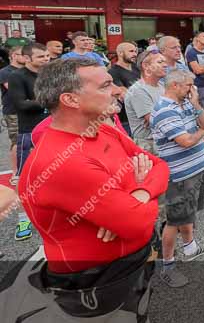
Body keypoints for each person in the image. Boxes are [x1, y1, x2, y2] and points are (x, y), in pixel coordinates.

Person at [16, 58, 167, 319]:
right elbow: (137, 222)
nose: (117, 90)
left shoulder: (103, 130)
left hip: (133, 260)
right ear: (71, 100)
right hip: (95, 278)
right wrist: (136, 192)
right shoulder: (61, 160)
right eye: (105, 85)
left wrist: (138, 193)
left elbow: (160, 166)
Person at [150, 69, 204, 286]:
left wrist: (196, 105)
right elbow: (186, 140)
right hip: (179, 176)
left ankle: (191, 247)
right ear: (175, 85)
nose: (193, 89)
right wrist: (202, 134)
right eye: (189, 85)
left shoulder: (187, 102)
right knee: (174, 222)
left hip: (196, 169)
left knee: (188, 215)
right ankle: (167, 265)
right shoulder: (164, 110)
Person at [7, 43, 50, 240]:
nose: (46, 59)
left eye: (47, 56)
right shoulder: (17, 76)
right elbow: (20, 104)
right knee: (25, 177)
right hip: (29, 132)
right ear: (27, 58)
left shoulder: (48, 73)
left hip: (54, 130)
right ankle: (23, 219)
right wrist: (51, 100)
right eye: (41, 57)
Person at [125, 52, 167, 153]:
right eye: (160, 62)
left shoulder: (162, 86)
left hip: (163, 141)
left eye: (164, 61)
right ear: (146, 66)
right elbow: (155, 121)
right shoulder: (138, 90)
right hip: (149, 145)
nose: (165, 65)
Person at [0, 46, 26, 184]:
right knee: (17, 142)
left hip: (29, 110)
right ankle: (15, 173)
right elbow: (14, 89)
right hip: (13, 111)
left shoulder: (28, 71)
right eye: (22, 54)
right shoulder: (5, 72)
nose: (25, 57)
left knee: (32, 140)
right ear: (13, 56)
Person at [108, 42, 141, 136]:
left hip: (141, 116)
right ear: (120, 53)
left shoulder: (136, 68)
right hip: (126, 120)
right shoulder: (113, 72)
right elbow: (124, 95)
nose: (135, 54)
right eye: (131, 51)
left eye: (135, 51)